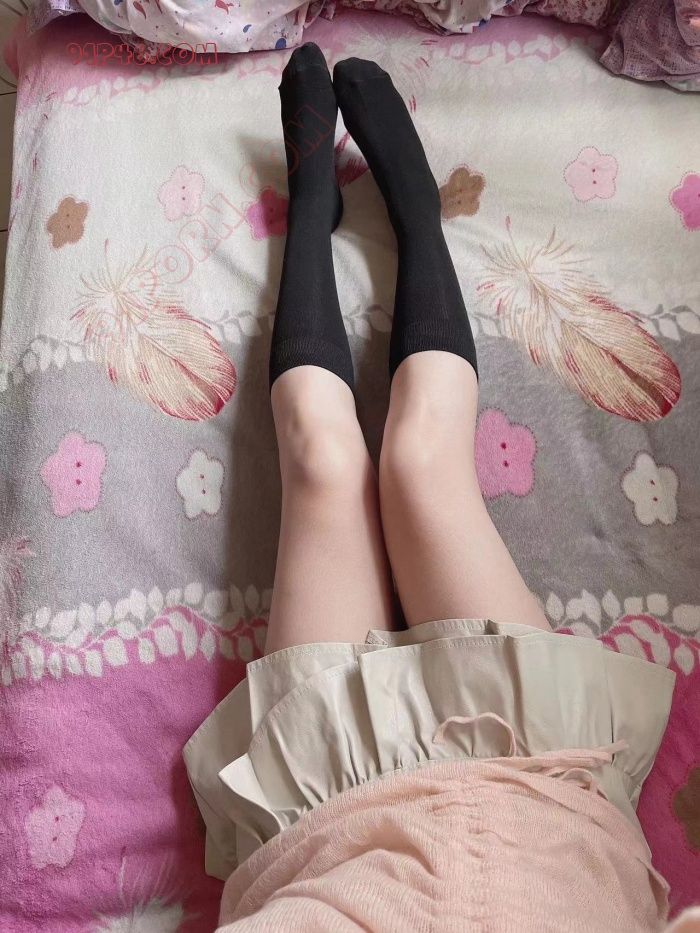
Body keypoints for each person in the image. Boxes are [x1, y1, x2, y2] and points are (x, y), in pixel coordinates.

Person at [184, 43, 679, 931]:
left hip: (329, 816)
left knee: (323, 459)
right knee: (420, 463)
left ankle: (314, 210)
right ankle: (416, 216)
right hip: (533, 784)